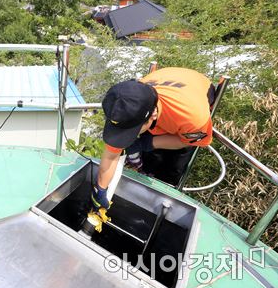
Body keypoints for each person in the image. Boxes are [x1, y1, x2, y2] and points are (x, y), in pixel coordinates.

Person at [91, 67, 215, 210]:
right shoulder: (128, 103)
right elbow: (111, 156)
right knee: (149, 162)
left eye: (131, 131)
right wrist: (100, 189)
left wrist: (146, 143)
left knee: (171, 170)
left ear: (153, 115)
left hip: (195, 90)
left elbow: (186, 140)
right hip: (165, 78)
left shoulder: (193, 119)